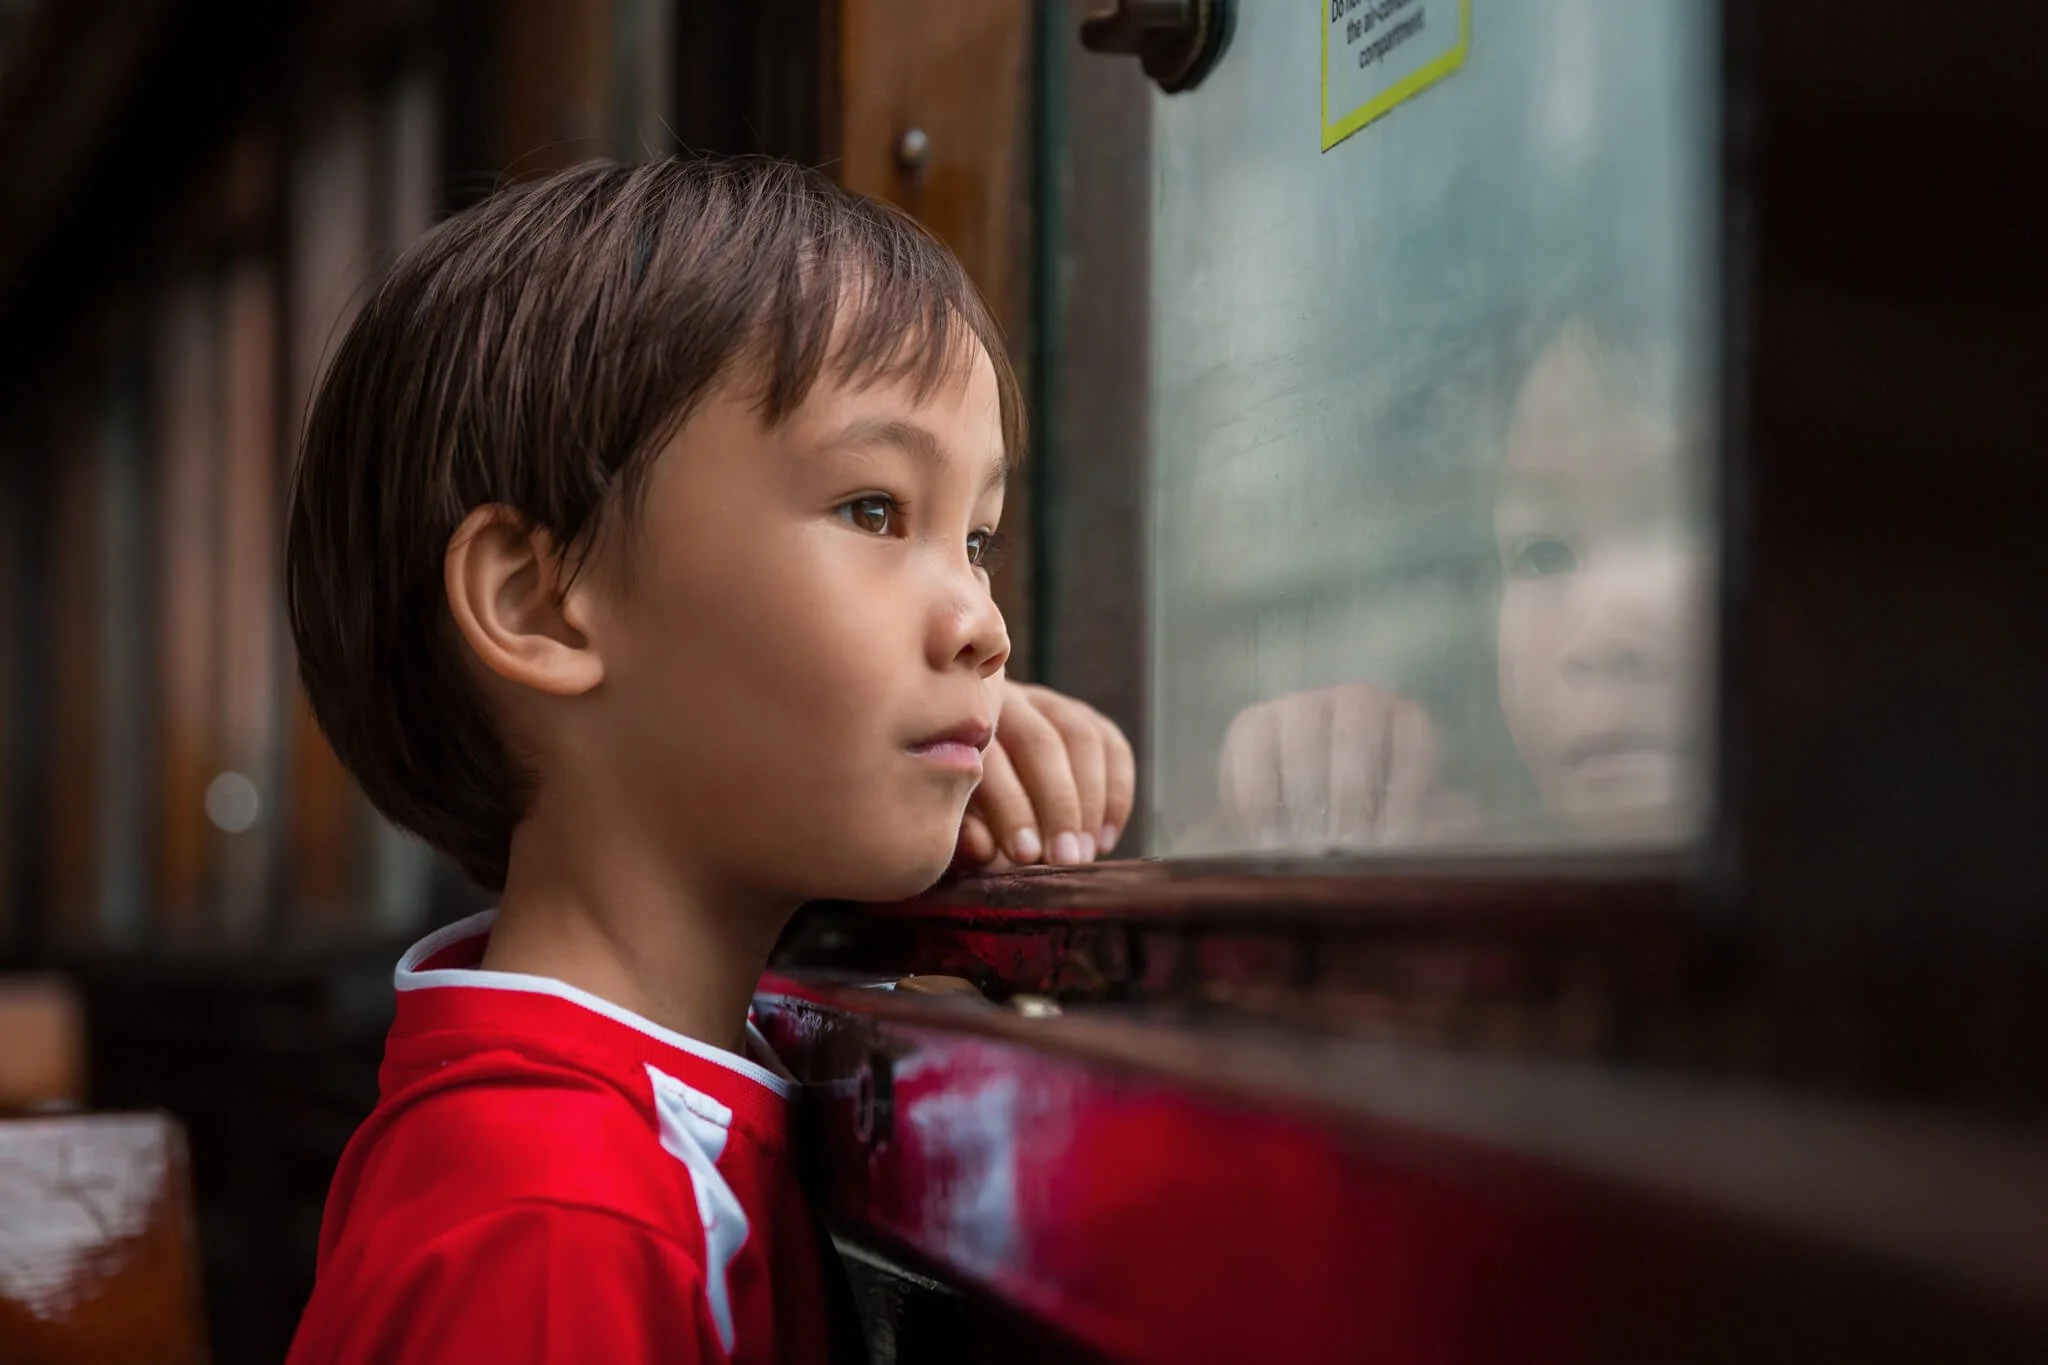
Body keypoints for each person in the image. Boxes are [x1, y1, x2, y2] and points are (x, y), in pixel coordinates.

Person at [282, 156, 1132, 1364]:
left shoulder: (648, 1091)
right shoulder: (555, 1232)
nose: (983, 626)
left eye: (978, 537)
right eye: (874, 512)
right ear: (542, 601)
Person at [1217, 307, 1707, 850]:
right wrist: (1325, 772)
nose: (1602, 640)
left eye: (1696, 528)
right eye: (1541, 554)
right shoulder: (1457, 833)